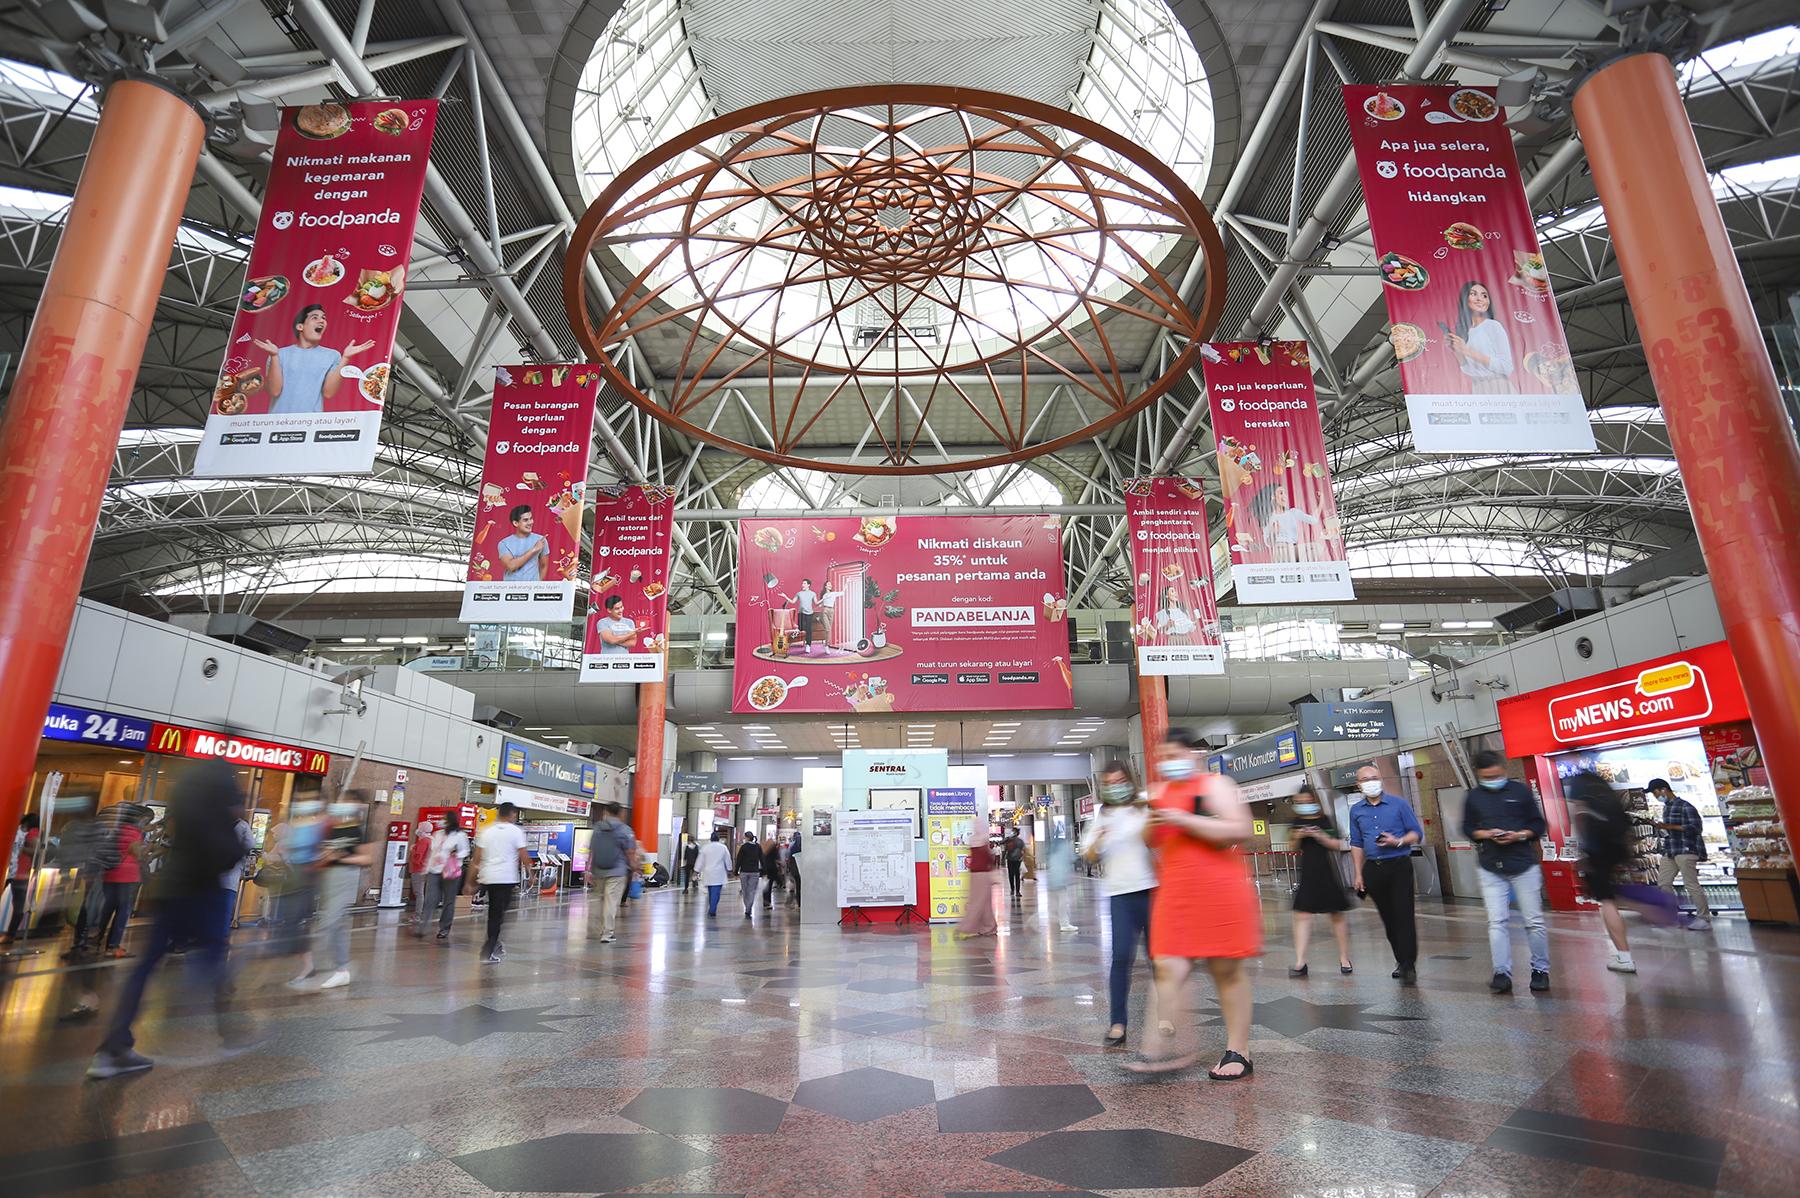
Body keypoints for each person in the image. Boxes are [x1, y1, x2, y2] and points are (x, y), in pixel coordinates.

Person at [89, 759, 256, 1079]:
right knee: (214, 959)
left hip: (170, 890)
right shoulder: (221, 792)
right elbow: (229, 850)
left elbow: (170, 842)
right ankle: (231, 1034)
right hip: (205, 891)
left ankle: (113, 1048)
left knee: (148, 965)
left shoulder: (183, 795)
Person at [1133, 732, 1259, 1081]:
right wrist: (1151, 820)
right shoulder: (1160, 794)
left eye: (1174, 754)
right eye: (1162, 756)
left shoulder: (1216, 785)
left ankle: (1239, 1051)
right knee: (1167, 968)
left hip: (1218, 890)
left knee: (1226, 972)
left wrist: (1182, 819)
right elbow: (1151, 839)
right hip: (1176, 893)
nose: (1167, 761)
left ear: (1193, 754)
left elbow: (1240, 829)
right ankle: (1160, 1049)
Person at [1462, 751, 1551, 995]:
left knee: (1533, 921)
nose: (1493, 779)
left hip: (1523, 864)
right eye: (1487, 777)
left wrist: (1519, 835)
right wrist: (1486, 834)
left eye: (1497, 775)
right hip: (1491, 866)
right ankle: (1501, 972)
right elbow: (1468, 828)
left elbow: (1538, 825)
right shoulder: (1473, 797)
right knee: (1496, 921)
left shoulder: (1520, 792)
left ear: (1503, 769)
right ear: (1479, 776)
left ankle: (1540, 970)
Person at [1084, 761, 1155, 1047]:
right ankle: (1117, 1023)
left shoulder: (1145, 807)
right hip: (1120, 894)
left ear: (1130, 780)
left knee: (1159, 959)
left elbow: (1157, 841)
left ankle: (1163, 1016)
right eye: (1109, 783)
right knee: (1121, 957)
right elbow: (1089, 856)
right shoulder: (1100, 816)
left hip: (1151, 890)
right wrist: (1100, 840)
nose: (1115, 787)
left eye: (1120, 781)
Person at [1347, 763, 1424, 985]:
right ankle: (1400, 960)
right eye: (1365, 779)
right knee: (1388, 918)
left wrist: (1397, 841)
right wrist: (1358, 874)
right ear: (1358, 785)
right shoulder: (1357, 811)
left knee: (1404, 915)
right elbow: (1357, 842)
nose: (1371, 782)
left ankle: (1409, 964)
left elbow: (1416, 833)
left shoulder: (1398, 804)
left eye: (1374, 777)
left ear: (1380, 779)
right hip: (1373, 867)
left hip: (1399, 864)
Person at [290, 792, 372, 991]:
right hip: (329, 878)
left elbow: (366, 859)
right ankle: (341, 970)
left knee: (328, 923)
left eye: (348, 803)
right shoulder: (334, 828)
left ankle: (315, 971)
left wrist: (340, 858)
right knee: (336, 926)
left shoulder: (357, 831)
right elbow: (324, 853)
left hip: (346, 877)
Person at [1566, 769, 1637, 974]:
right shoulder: (1604, 787)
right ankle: (1623, 950)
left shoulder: (1580, 786)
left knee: (1606, 901)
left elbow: (1579, 816)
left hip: (1597, 850)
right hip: (1616, 847)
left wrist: (1585, 850)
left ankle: (1624, 957)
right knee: (1611, 899)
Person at [252, 303, 375, 414]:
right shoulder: (280, 354)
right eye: (314, 317)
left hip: (310, 424)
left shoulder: (332, 355)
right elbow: (274, 391)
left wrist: (345, 358)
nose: (321, 321)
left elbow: (329, 393)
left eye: (323, 318)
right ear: (300, 327)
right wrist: (274, 356)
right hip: (276, 423)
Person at [1287, 785, 1353, 977]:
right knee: (1302, 915)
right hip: (1307, 874)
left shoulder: (1324, 820)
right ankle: (1301, 961)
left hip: (1327, 872)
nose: (1304, 805)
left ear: (1314, 801)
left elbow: (1337, 844)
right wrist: (1299, 835)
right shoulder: (1295, 821)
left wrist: (1320, 835)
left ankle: (1344, 958)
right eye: (1300, 802)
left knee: (1336, 914)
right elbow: (1291, 845)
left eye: (1307, 802)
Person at [471, 803, 530, 963]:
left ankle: (493, 942)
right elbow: (524, 855)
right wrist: (531, 874)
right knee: (498, 915)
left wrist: (471, 879)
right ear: (511, 814)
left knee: (496, 914)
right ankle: (488, 949)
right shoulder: (516, 831)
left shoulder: (487, 831)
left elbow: (476, 859)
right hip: (506, 879)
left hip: (489, 878)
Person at [1651, 777, 1712, 929]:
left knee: (1691, 884)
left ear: (1663, 789)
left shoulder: (1685, 806)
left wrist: (1669, 826)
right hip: (1671, 849)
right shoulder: (1666, 807)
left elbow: (1696, 828)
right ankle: (1671, 917)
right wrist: (1661, 827)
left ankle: (1704, 918)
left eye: (1655, 793)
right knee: (1663, 883)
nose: (1655, 796)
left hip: (1686, 849)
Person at [1445, 280, 1515, 393]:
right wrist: (1456, 350)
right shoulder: (1466, 331)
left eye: (1484, 295)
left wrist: (1466, 351)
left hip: (1500, 388)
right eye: (1473, 294)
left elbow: (1506, 366)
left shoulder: (1493, 326)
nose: (1480, 299)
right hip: (1477, 389)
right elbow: (1467, 369)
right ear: (1465, 299)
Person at [588, 802, 638, 943]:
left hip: (598, 870)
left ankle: (600, 928)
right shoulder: (625, 830)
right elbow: (630, 852)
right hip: (617, 871)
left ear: (606, 812)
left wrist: (587, 870)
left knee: (601, 900)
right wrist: (634, 866)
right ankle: (607, 933)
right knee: (610, 902)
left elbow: (591, 850)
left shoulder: (597, 828)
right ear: (620, 813)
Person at [417, 813, 470, 942]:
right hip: (434, 870)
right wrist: (426, 868)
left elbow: (466, 851)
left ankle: (444, 928)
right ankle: (423, 926)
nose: (441, 821)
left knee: (448, 901)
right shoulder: (438, 834)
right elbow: (432, 853)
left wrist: (457, 854)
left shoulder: (460, 836)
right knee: (430, 899)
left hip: (450, 872)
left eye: (444, 820)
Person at [2, 813, 39, 944]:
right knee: (19, 906)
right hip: (16, 872)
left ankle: (10, 936)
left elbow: (34, 850)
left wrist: (18, 846)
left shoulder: (32, 832)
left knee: (19, 907)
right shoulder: (26, 832)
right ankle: (10, 936)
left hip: (19, 873)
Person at [956, 836, 999, 938]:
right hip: (983, 875)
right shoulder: (982, 844)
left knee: (980, 902)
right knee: (983, 903)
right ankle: (987, 927)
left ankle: (985, 927)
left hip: (975, 875)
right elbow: (989, 859)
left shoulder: (973, 842)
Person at [497, 505, 550, 582]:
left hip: (532, 589)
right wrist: (534, 549)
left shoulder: (541, 540)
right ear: (515, 523)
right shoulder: (504, 543)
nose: (530, 522)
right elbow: (511, 566)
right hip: (509, 589)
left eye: (531, 518)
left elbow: (543, 565)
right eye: (525, 520)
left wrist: (537, 584)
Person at [1044, 824, 1078, 932]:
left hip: (1052, 877)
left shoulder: (1052, 846)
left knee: (1055, 902)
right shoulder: (1065, 845)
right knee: (1063, 902)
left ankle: (1053, 922)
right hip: (1061, 878)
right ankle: (1064, 924)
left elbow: (1047, 859)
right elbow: (1072, 858)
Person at [408, 819, 437, 928]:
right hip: (427, 869)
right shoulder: (432, 840)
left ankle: (418, 915)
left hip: (418, 869)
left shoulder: (424, 841)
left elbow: (417, 857)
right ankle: (421, 914)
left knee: (419, 892)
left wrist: (412, 849)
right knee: (422, 892)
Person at [697, 830, 731, 917]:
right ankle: (712, 909)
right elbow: (728, 859)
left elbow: (700, 860)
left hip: (708, 873)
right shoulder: (723, 847)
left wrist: (696, 870)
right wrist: (729, 869)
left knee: (711, 891)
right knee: (716, 893)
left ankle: (712, 907)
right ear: (718, 839)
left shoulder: (705, 847)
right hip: (719, 873)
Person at [780, 579, 819, 652]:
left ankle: (808, 645)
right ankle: (793, 637)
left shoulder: (813, 593)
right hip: (801, 613)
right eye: (802, 583)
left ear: (808, 585)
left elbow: (816, 603)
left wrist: (823, 600)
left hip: (809, 613)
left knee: (808, 630)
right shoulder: (799, 593)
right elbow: (793, 601)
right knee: (800, 628)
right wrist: (785, 596)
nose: (802, 585)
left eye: (804, 583)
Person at [736, 831, 764, 919]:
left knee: (745, 891)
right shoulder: (758, 847)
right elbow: (762, 859)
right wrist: (764, 871)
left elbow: (739, 859)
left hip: (744, 871)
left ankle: (747, 907)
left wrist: (736, 871)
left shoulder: (743, 847)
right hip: (755, 871)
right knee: (752, 891)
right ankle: (749, 908)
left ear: (747, 837)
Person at [761, 831, 784, 909]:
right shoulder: (774, 846)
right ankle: (767, 902)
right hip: (772, 868)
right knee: (769, 885)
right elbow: (776, 858)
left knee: (766, 885)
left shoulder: (764, 847)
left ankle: (766, 902)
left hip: (765, 868)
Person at [1002, 827, 1025, 899]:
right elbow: (1002, 844)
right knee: (1013, 875)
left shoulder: (1019, 841)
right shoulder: (1009, 840)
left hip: (1015, 859)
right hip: (1012, 859)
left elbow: (1022, 850)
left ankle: (1015, 890)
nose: (1012, 832)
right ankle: (1014, 890)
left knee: (1014, 875)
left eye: (1013, 831)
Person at [786, 832, 802, 907]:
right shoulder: (804, 846)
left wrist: (789, 868)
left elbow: (788, 857)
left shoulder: (792, 845)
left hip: (795, 869)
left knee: (798, 886)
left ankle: (799, 902)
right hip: (803, 869)